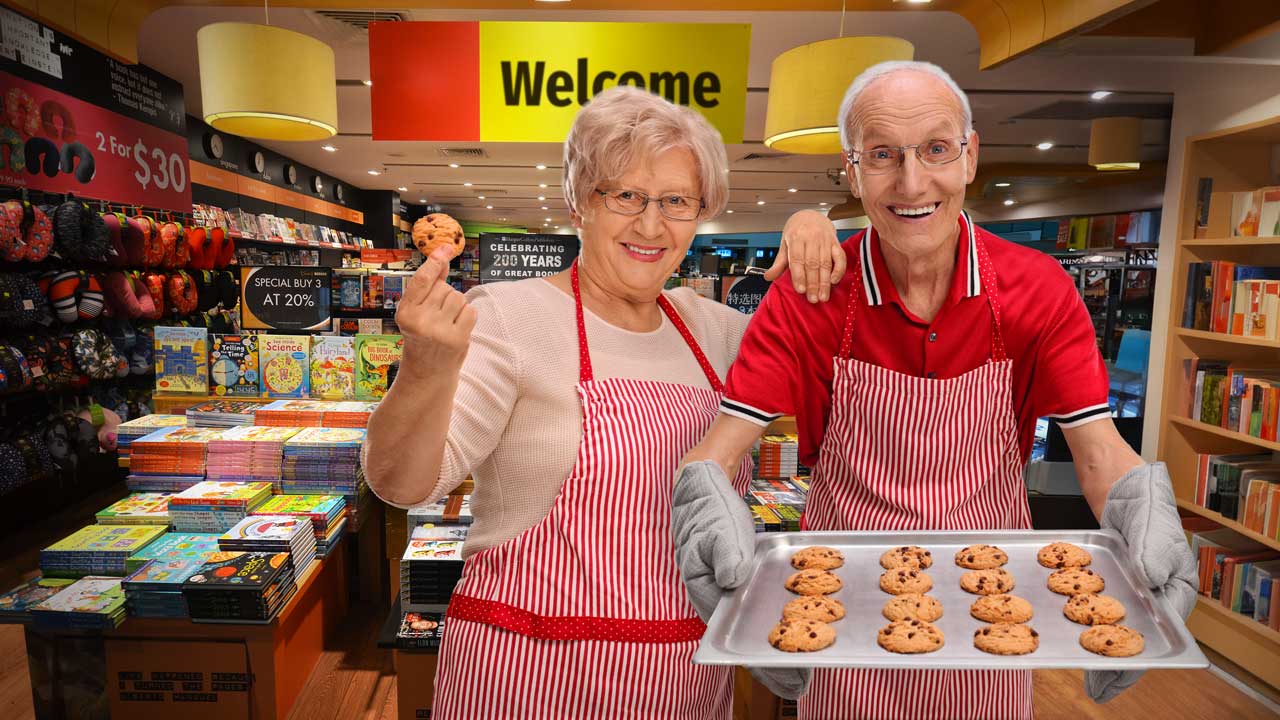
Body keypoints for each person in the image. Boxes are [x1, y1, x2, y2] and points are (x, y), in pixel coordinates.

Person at [672, 60, 1197, 720]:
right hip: (846, 621)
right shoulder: (809, 297)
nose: (913, 181)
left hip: (993, 615)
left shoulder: (1038, 288)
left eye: (937, 149)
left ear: (970, 156)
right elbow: (720, 450)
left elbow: (1097, 458)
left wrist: (1141, 505)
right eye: (884, 155)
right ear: (854, 168)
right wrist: (704, 502)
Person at [362, 86, 840, 718]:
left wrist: (818, 231)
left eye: (675, 201)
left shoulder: (722, 332)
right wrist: (425, 366)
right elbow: (402, 483)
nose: (650, 224)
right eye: (625, 196)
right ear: (579, 201)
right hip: (525, 670)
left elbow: (867, 372)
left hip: (683, 679)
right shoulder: (508, 316)